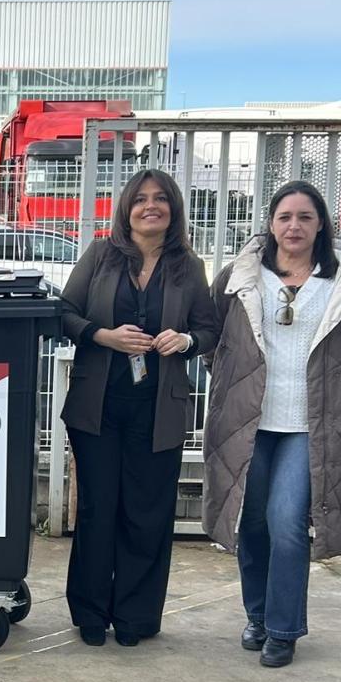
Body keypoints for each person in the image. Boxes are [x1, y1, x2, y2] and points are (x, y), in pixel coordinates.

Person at [201, 182, 341, 668]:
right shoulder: (241, 277)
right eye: (284, 217)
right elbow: (216, 339)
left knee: (287, 521)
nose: (294, 226)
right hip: (250, 419)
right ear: (271, 224)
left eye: (305, 217)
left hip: (309, 424)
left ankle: (283, 629)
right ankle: (257, 616)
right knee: (252, 521)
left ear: (321, 224)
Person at [59, 168, 219, 648]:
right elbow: (64, 313)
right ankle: (90, 613)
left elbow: (209, 329)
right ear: (127, 209)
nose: (151, 206)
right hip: (98, 406)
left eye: (161, 198)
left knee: (146, 515)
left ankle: (136, 617)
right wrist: (102, 336)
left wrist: (186, 341)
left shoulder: (188, 266)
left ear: (173, 209)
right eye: (141, 199)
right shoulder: (101, 255)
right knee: (98, 510)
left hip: (158, 409)